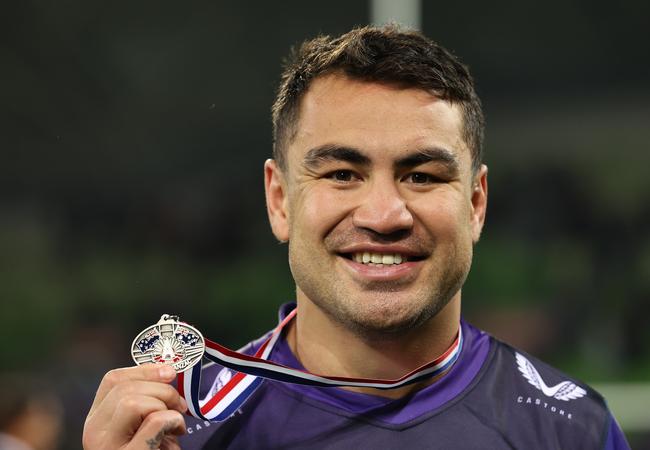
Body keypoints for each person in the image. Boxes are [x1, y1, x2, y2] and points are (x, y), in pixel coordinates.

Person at [82, 25, 630, 449]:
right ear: (280, 201)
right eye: (342, 173)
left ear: (476, 204)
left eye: (422, 176)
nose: (385, 214)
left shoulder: (571, 429)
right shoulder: (177, 429)